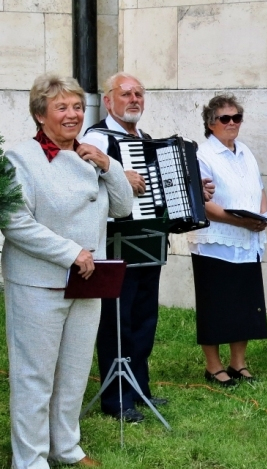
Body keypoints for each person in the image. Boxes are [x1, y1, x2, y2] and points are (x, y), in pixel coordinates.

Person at [1, 74, 132, 468]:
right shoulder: (19, 158)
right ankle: (31, 458)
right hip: (39, 283)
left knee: (74, 372)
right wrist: (68, 251)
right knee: (34, 376)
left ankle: (67, 446)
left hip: (88, 282)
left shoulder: (88, 154)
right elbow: (14, 222)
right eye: (62, 107)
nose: (72, 115)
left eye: (77, 106)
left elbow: (123, 208)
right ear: (41, 115)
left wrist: (108, 165)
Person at [81, 72, 214, 422]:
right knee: (117, 320)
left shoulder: (147, 140)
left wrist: (193, 191)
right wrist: (117, 174)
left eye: (139, 93)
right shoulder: (96, 137)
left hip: (149, 241)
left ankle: (139, 387)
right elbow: (82, 179)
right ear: (109, 101)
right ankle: (116, 399)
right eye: (125, 94)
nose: (134, 99)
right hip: (115, 241)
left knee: (144, 318)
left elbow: (161, 191)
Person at [186, 93, 267, 387]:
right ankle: (213, 365)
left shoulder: (245, 151)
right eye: (225, 118)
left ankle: (238, 363)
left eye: (237, 118)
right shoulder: (201, 156)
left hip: (247, 240)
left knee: (244, 304)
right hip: (215, 241)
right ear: (211, 123)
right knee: (215, 304)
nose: (232, 123)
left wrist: (261, 216)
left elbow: (258, 188)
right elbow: (203, 203)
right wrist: (240, 220)